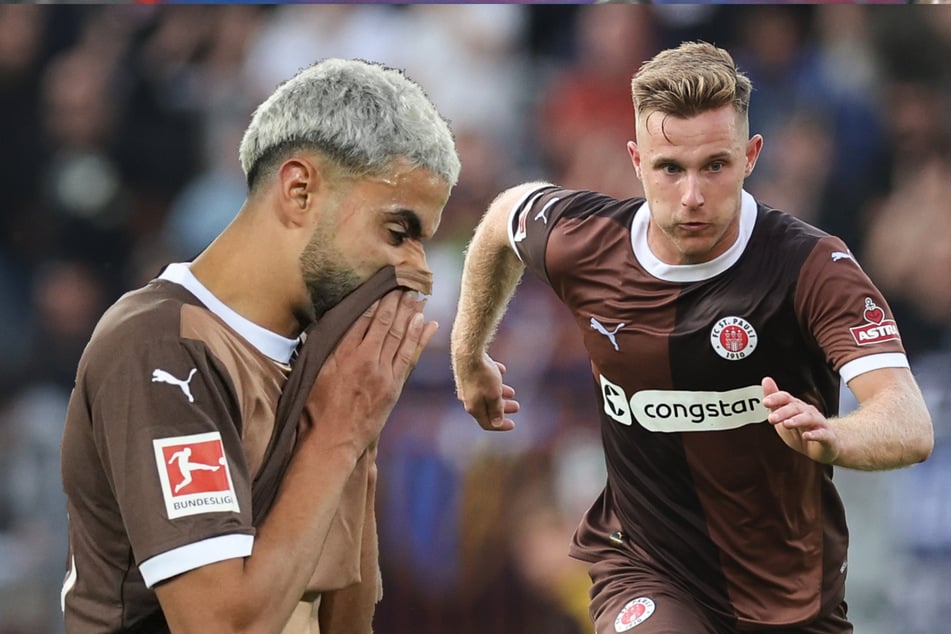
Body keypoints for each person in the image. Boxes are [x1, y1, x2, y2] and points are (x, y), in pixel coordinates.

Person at [450, 41, 933, 634]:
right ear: (636, 160)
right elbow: (503, 219)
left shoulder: (811, 267)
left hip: (788, 600)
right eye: (670, 169)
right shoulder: (588, 241)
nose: (692, 196)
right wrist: (469, 353)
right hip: (645, 569)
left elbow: (909, 421)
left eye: (715, 166)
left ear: (751, 155)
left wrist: (836, 436)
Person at [61, 58, 460, 633]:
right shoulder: (161, 346)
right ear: (299, 190)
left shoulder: (321, 362)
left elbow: (339, 623)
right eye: (398, 232)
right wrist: (342, 433)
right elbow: (222, 627)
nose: (416, 268)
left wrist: (357, 442)